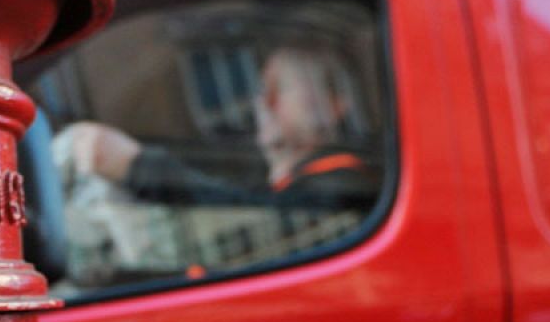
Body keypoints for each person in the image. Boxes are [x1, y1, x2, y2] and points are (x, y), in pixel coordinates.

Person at [56, 43, 380, 212]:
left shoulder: (342, 184)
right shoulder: (291, 181)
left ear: (336, 105)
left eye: (281, 87)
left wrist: (137, 165)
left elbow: (257, 216)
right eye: (261, 88)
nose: (263, 102)